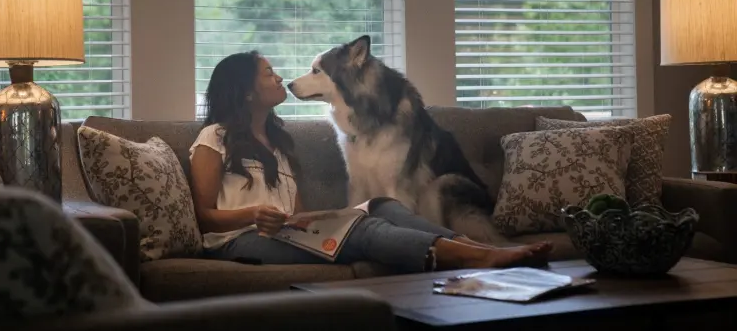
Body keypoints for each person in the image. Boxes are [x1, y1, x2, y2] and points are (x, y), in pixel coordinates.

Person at [188, 51, 552, 273]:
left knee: (380, 207)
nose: (280, 76)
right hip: (238, 242)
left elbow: (295, 215)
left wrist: (316, 219)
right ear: (248, 91)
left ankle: (482, 249)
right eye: (269, 73)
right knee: (360, 231)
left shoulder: (279, 144)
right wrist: (252, 215)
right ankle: (471, 258)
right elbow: (204, 215)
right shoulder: (214, 138)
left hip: (283, 233)